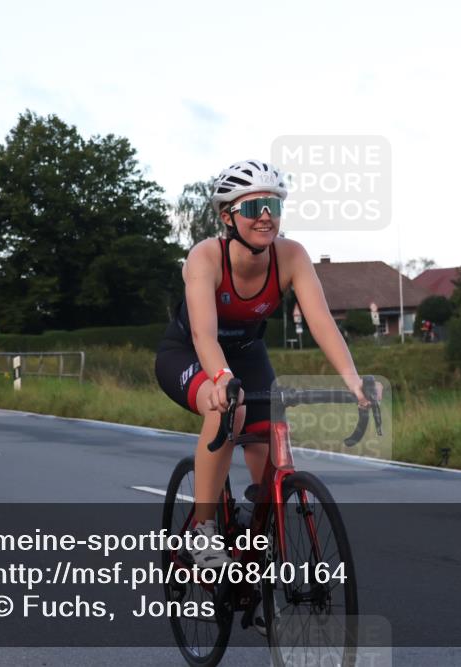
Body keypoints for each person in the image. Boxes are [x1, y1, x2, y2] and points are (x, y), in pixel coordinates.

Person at [154, 159, 373, 569]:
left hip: (248, 354)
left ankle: (257, 548)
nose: (267, 216)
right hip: (188, 354)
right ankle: (203, 530)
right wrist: (222, 379)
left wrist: (353, 379)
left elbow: (321, 322)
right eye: (255, 207)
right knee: (229, 409)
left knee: (271, 446)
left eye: (274, 205)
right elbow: (204, 335)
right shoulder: (205, 257)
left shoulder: (291, 256)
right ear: (227, 217)